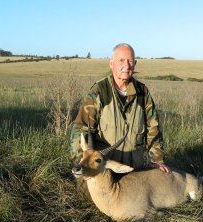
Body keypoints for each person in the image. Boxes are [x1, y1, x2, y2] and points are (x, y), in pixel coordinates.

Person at [70, 43, 170, 174]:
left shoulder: (142, 92)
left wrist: (157, 160)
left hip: (134, 169)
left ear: (135, 64)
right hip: (103, 169)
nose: (127, 66)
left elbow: (153, 128)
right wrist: (82, 164)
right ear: (111, 63)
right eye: (121, 60)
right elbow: (80, 128)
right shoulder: (100, 90)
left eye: (131, 61)